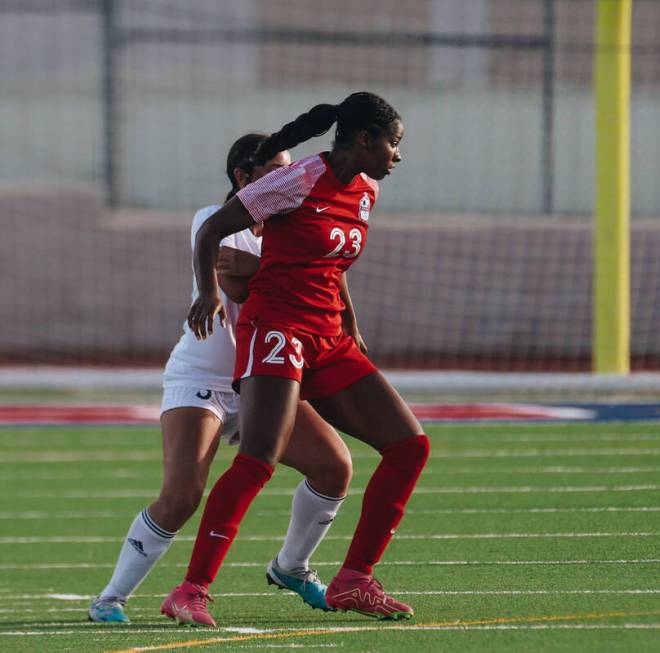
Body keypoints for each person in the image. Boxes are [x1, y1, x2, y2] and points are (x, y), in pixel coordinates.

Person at [161, 92, 429, 626]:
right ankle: (190, 590)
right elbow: (214, 228)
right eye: (393, 143)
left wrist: (350, 321)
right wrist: (208, 292)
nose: (397, 155)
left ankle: (355, 580)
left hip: (328, 335)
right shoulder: (298, 179)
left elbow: (334, 262)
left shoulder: (367, 189)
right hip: (277, 329)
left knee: (409, 447)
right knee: (259, 459)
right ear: (362, 139)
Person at [88, 134, 355, 623]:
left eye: (291, 169)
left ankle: (292, 566)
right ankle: (110, 599)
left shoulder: (295, 224)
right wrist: (290, 272)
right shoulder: (217, 218)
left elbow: (324, 276)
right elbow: (236, 282)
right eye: (275, 169)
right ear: (243, 177)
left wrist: (285, 273)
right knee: (182, 494)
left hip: (267, 379)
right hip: (204, 378)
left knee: (335, 467)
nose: (289, 179)